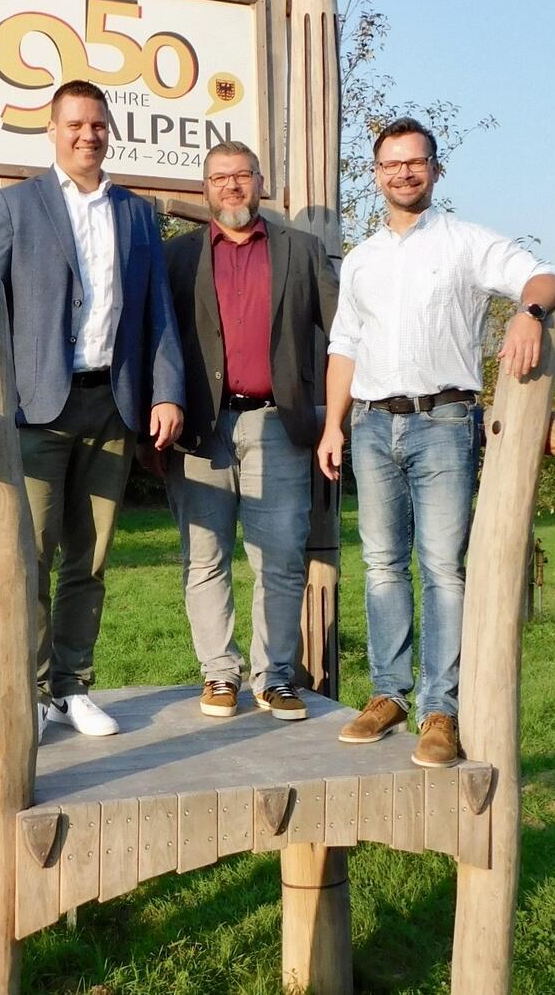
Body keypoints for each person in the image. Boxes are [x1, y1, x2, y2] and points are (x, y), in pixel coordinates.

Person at [316, 117, 555, 768]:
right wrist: (333, 424)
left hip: (444, 423)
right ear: (375, 175)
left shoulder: (465, 242)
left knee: (442, 568)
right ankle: (388, 695)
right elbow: (345, 343)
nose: (403, 172)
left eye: (415, 161)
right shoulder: (362, 259)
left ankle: (440, 710)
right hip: (371, 424)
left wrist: (528, 313)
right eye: (391, 164)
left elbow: (545, 276)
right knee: (381, 565)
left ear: (435, 168)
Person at [0, 80, 185, 738]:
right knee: (31, 557)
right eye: (75, 124)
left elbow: (157, 312)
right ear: (52, 129)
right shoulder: (14, 205)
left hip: (112, 405)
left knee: (89, 560)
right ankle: (32, 692)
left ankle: (72, 686)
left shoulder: (137, 214)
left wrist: (167, 390)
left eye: (97, 124)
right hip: (37, 408)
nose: (88, 134)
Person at [158, 140, 337, 721]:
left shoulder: (301, 251)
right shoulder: (176, 257)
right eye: (220, 178)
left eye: (242, 176)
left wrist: (335, 416)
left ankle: (276, 677)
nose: (231, 186)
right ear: (205, 188)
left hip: (277, 425)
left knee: (280, 560)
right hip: (199, 430)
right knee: (204, 557)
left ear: (260, 183)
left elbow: (343, 334)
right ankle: (219, 674)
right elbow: (155, 339)